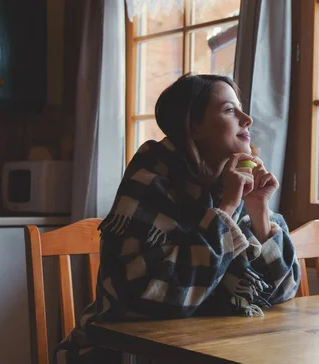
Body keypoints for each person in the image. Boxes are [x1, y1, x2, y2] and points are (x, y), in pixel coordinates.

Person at [55, 74, 301, 363]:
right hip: (122, 352)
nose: (246, 119)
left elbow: (283, 291)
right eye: (229, 110)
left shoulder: (233, 182)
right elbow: (163, 297)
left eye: (241, 109)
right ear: (193, 127)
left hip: (204, 346)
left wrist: (258, 208)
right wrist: (226, 209)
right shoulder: (152, 181)